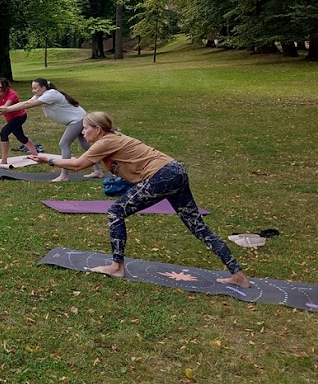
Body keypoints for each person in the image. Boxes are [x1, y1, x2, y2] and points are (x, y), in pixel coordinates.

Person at [29, 111, 250, 288]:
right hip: (175, 171)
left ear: (98, 129)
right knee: (197, 226)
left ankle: (116, 266)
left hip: (162, 176)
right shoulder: (113, 138)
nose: (83, 132)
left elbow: (78, 165)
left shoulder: (105, 142)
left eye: (86, 128)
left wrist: (48, 160)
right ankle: (238, 275)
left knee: (115, 212)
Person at [0, 78, 102, 181]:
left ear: (43, 87)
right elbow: (26, 102)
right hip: (78, 119)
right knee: (84, 144)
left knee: (64, 144)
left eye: (35, 88)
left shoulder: (51, 94)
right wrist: (5, 110)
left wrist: (8, 109)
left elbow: (28, 105)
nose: (33, 91)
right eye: (32, 88)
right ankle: (98, 170)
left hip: (78, 120)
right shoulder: (41, 95)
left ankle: (64, 175)